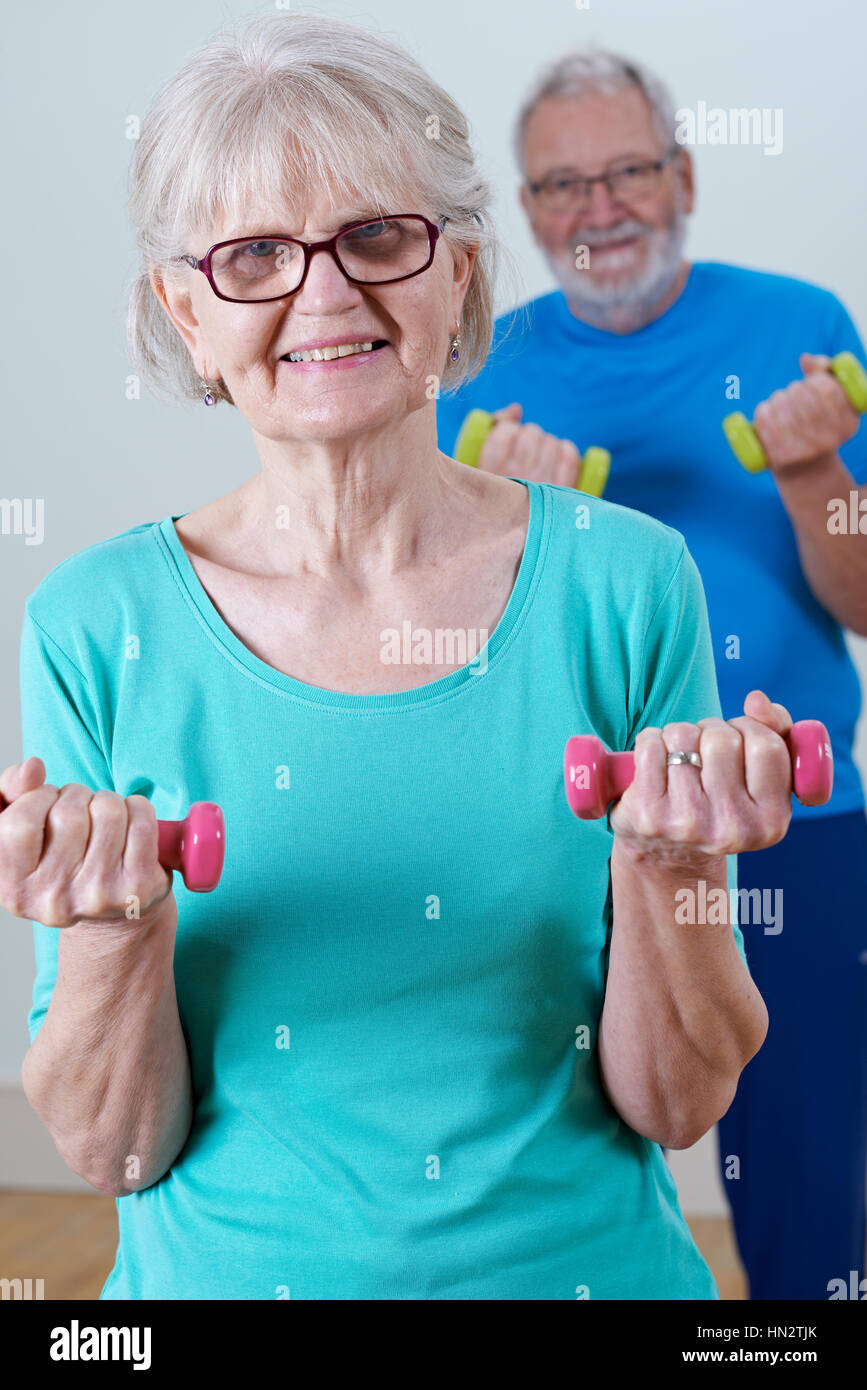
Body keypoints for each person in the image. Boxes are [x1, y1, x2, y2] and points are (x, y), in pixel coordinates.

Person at [8, 13, 789, 1302]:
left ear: (461, 278)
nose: (324, 294)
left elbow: (678, 1101)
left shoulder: (629, 580)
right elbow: (117, 1146)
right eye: (256, 253)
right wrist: (113, 928)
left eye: (377, 237)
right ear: (186, 312)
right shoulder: (94, 624)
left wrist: (670, 858)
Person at [435, 48, 867, 1301]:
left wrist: (811, 476)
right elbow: (450, 669)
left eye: (626, 170)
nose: (599, 207)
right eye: (563, 185)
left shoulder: (802, 331)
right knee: (546, 1163)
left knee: (805, 1176)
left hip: (798, 822)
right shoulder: (475, 372)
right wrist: (522, 537)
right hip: (557, 836)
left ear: (682, 174)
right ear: (526, 211)